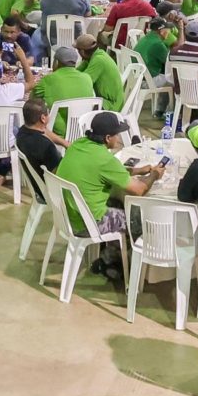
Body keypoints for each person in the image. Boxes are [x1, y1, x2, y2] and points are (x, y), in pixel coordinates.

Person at [52, 113, 164, 289]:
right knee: (137, 218)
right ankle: (124, 267)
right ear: (107, 138)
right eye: (116, 135)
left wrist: (138, 171)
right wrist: (154, 175)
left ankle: (109, 257)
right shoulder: (104, 159)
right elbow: (140, 190)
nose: (118, 139)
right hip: (86, 223)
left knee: (117, 203)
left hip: (68, 214)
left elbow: (107, 170)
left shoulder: (79, 144)